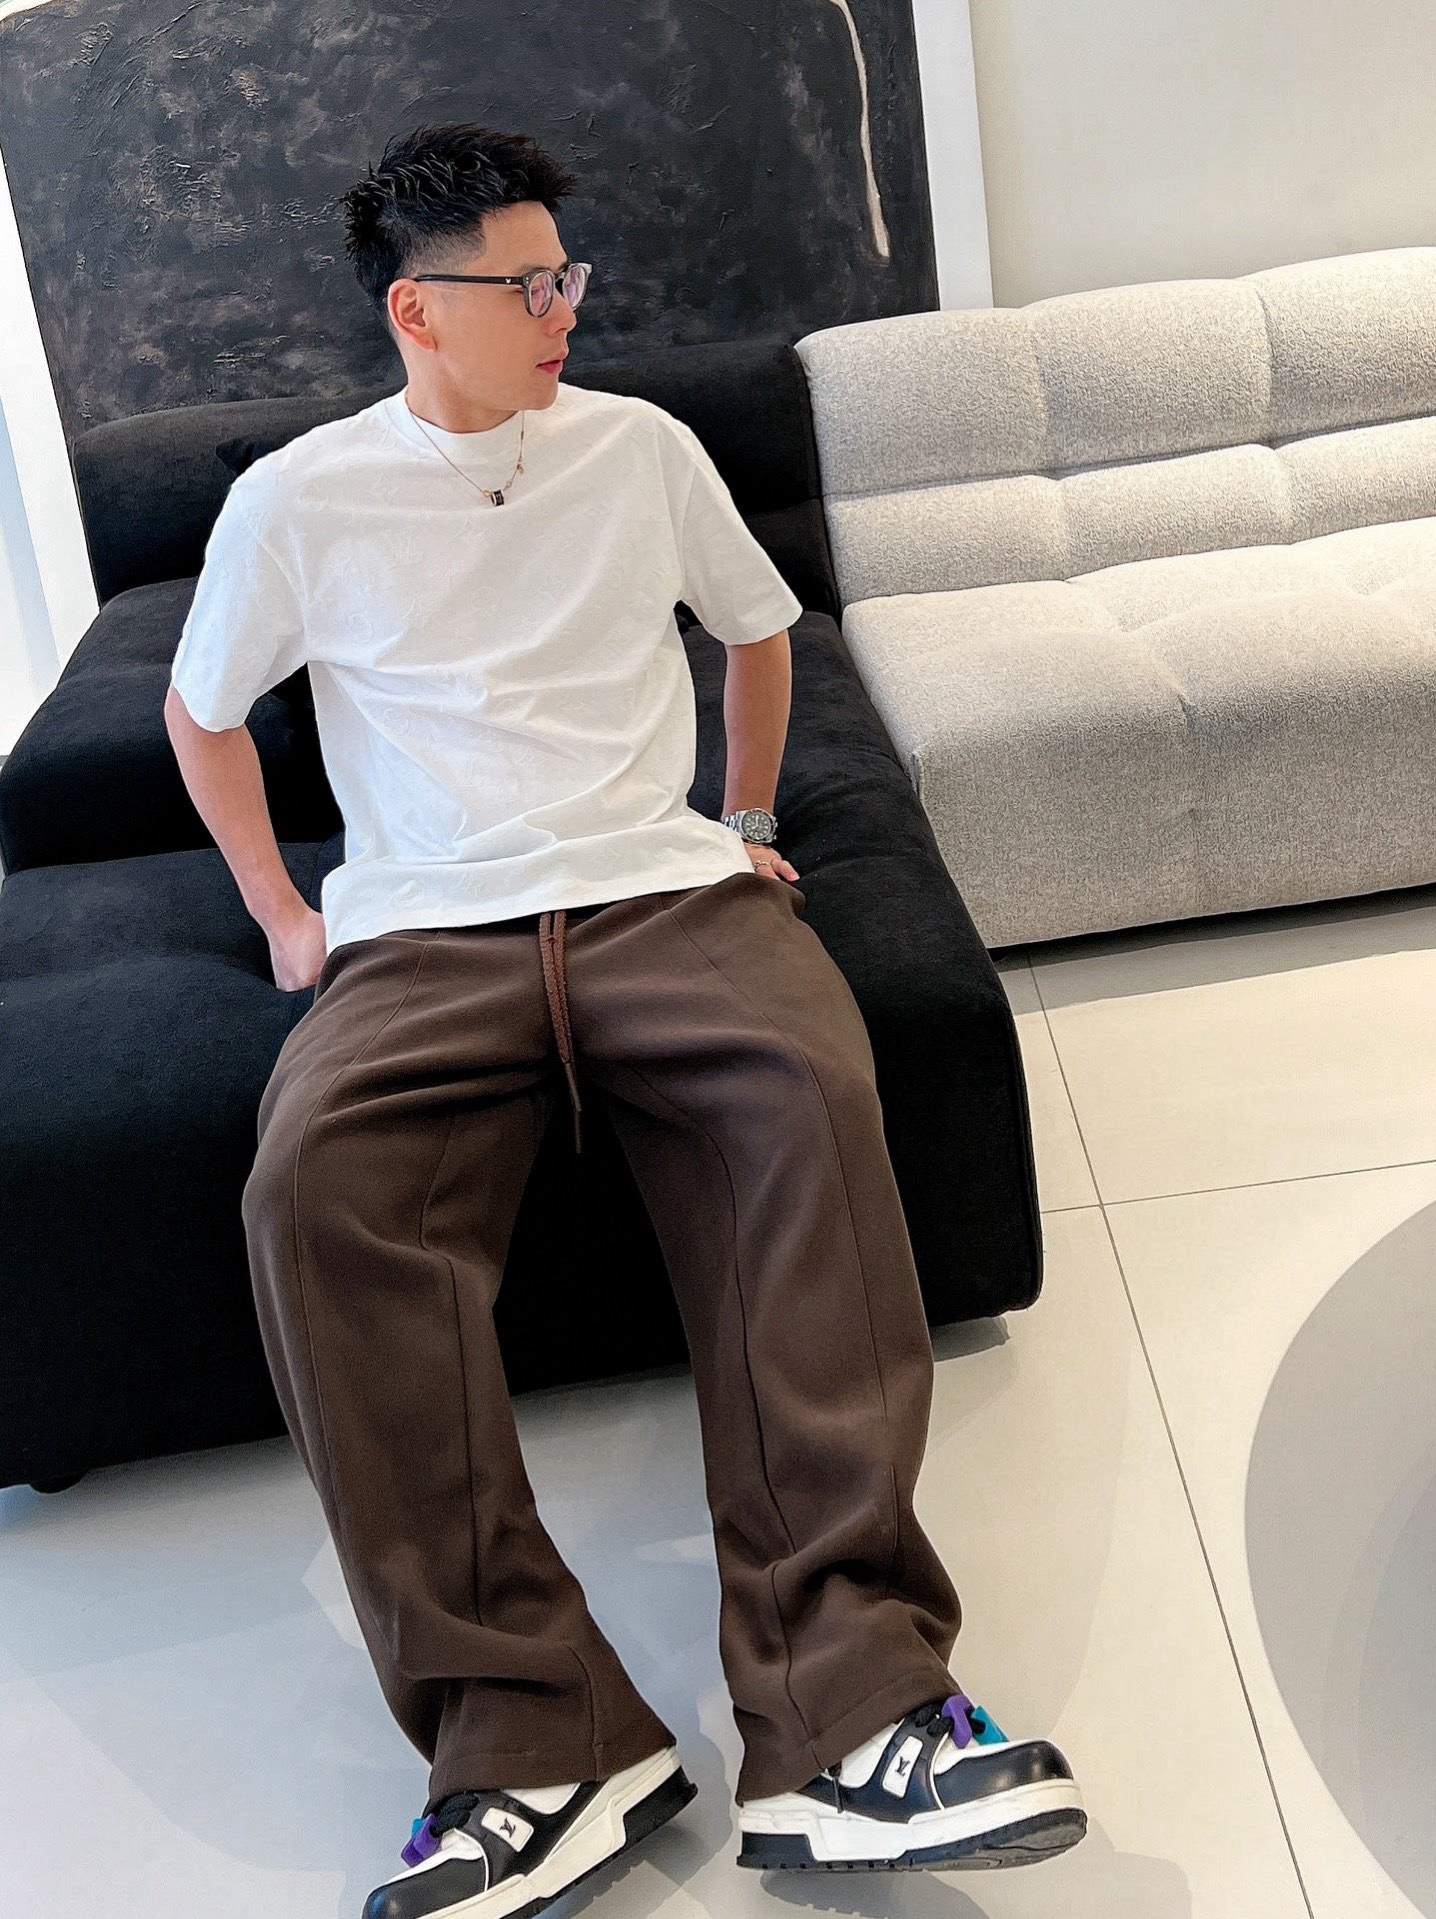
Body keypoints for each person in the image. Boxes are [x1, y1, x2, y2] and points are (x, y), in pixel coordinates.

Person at [164, 122, 1086, 1919]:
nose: (566, 308)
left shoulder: (641, 447)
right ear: (418, 311)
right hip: (426, 931)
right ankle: (537, 1740)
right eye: (529, 285)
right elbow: (204, 715)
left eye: (565, 274)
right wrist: (284, 915)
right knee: (312, 1191)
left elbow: (758, 631)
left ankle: (853, 1715)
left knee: (809, 1094)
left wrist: (743, 819)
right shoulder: (296, 499)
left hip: (664, 889)